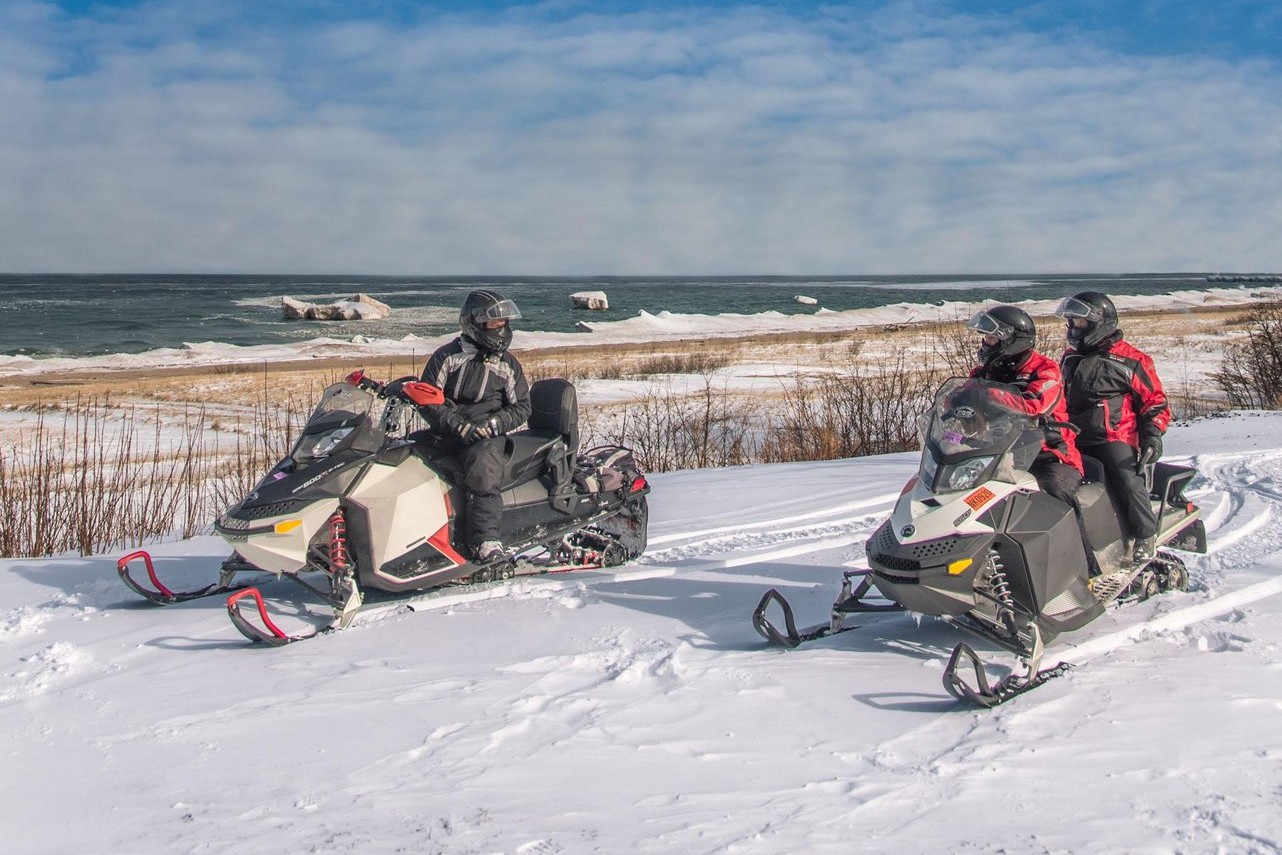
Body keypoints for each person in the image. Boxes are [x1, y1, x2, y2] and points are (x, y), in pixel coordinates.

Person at [1055, 291, 1170, 563]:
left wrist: (1152, 435)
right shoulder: (1069, 358)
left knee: (1125, 478)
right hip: (1072, 435)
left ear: (1099, 322)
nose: (1073, 329)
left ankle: (1144, 534)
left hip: (1113, 436)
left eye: (1079, 323)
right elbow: (1057, 396)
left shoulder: (1131, 360)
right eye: (1070, 322)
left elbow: (1155, 402)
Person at [418, 290, 532, 563]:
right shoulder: (446, 357)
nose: (501, 329)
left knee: (482, 469)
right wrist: (455, 424)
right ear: (475, 323)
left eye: (504, 323)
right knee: (410, 455)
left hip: (486, 435)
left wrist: (493, 424)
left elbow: (523, 407)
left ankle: (486, 540)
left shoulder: (507, 365)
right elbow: (428, 399)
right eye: (495, 324)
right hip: (447, 430)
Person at [964, 305, 1087, 510]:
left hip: (1048, 455)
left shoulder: (1045, 370)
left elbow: (1035, 405)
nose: (985, 344)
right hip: (998, 454)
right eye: (985, 338)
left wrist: (989, 393)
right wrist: (956, 402)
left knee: (1054, 494)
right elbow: (955, 398)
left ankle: (1081, 542)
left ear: (1010, 340)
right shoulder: (984, 373)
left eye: (991, 339)